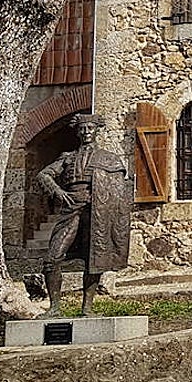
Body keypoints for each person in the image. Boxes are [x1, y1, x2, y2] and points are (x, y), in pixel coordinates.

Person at [37, 112, 130, 316]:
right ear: (78, 132)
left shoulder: (109, 159)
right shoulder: (68, 157)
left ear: (96, 131)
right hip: (71, 209)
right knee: (53, 257)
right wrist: (57, 191)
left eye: (90, 128)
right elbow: (44, 174)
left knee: (94, 259)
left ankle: (87, 308)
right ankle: (54, 308)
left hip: (97, 211)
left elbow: (119, 190)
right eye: (83, 129)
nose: (86, 132)